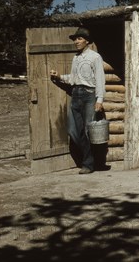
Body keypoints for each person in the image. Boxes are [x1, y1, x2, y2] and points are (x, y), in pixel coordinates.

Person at [50, 27, 105, 174]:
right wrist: (59, 76)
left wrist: (99, 99)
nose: (76, 41)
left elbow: (100, 79)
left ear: (87, 41)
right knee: (73, 130)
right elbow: (74, 79)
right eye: (75, 39)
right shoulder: (76, 58)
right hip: (76, 94)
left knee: (88, 131)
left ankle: (89, 163)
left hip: (89, 95)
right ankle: (90, 161)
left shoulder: (95, 57)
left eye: (79, 39)